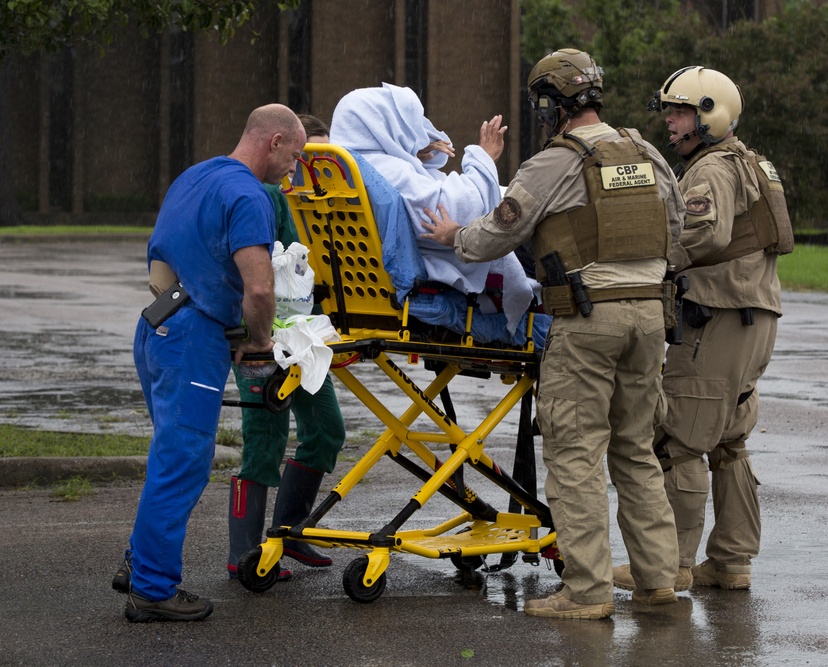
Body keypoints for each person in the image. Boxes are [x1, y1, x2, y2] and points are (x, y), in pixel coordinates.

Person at [420, 48, 686, 620]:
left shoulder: (555, 161)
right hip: (648, 318)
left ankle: (586, 592)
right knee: (636, 449)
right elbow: (679, 229)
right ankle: (656, 578)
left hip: (588, 319)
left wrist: (452, 237)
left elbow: (497, 233)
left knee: (575, 452)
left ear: (552, 104)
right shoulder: (647, 153)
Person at [113, 104, 306, 622]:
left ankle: (139, 564)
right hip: (192, 336)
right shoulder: (249, 194)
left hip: (157, 320)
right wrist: (259, 340)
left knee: (168, 456)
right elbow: (260, 286)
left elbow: (164, 256)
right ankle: (153, 591)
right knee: (183, 461)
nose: (295, 167)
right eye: (296, 154)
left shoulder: (195, 176)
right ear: (274, 141)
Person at [613, 66, 790, 592]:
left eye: (681, 111)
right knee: (729, 442)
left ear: (711, 114)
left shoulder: (711, 169)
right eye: (669, 110)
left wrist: (648, 261)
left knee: (678, 442)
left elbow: (704, 233)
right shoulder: (752, 162)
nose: (670, 121)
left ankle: (668, 567)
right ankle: (732, 561)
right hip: (755, 318)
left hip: (716, 320)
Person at [329, 83, 544, 347]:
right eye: (407, 124)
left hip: (361, 292)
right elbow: (458, 212)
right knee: (532, 247)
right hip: (428, 286)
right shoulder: (391, 173)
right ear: (385, 125)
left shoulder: (344, 170)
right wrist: (484, 158)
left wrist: (411, 150)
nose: (416, 129)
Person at [226, 113, 346, 582]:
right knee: (264, 437)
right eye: (304, 157)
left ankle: (289, 532)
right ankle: (245, 554)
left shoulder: (322, 204)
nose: (309, 168)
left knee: (325, 428)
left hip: (304, 334)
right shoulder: (271, 196)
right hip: (262, 331)